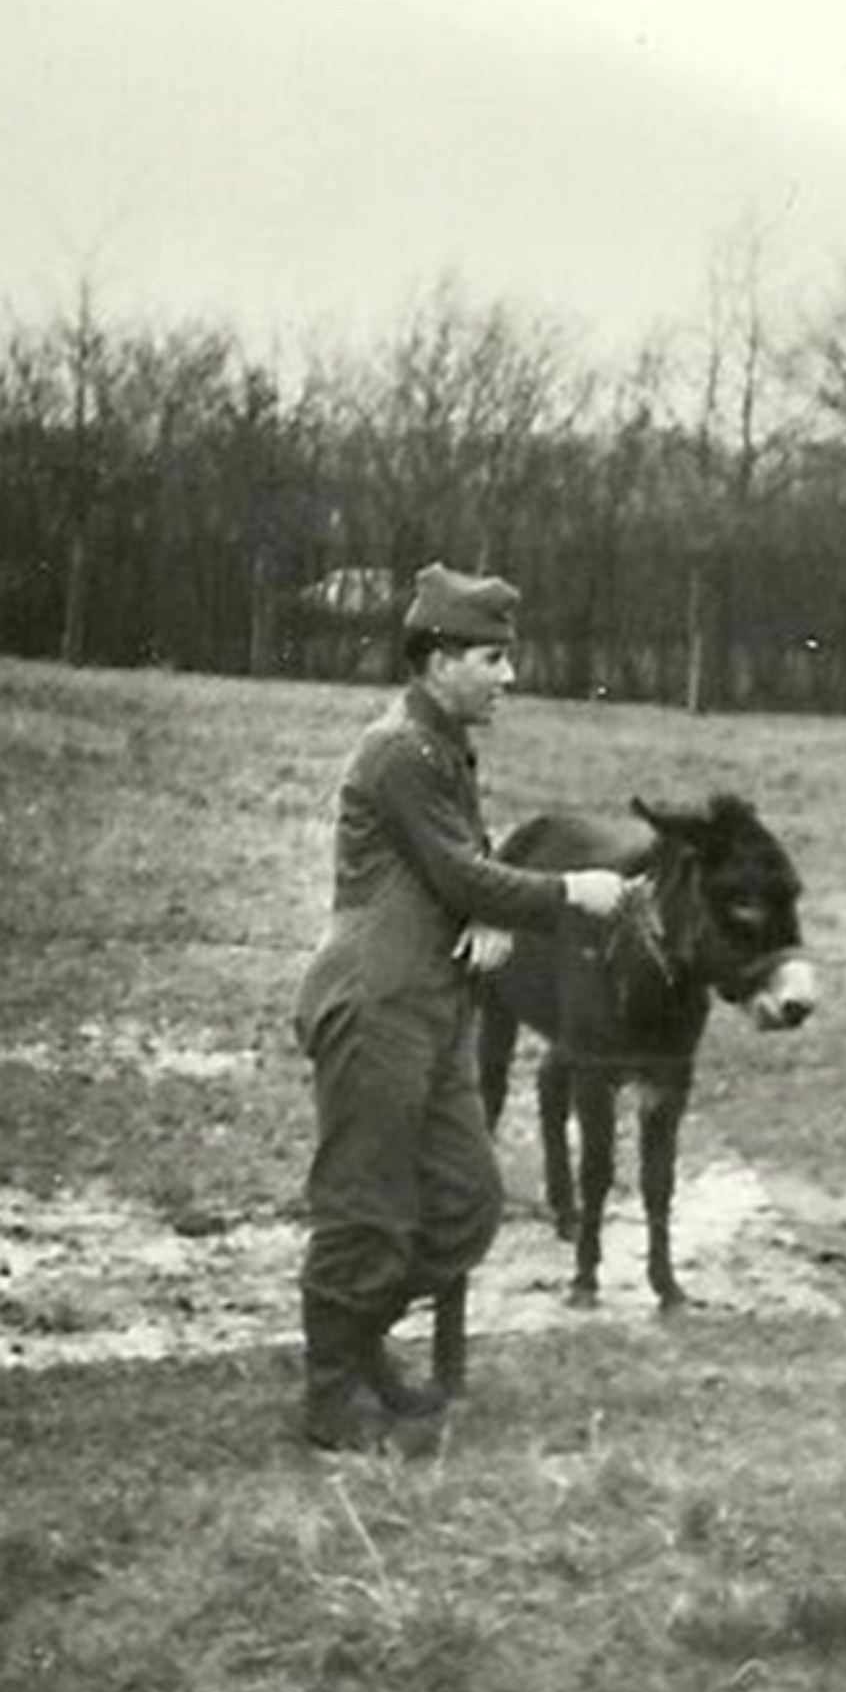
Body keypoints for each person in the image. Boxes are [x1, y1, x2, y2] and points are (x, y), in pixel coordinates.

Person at [292, 560, 627, 1452]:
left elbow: (458, 870)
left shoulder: (441, 749)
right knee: (365, 1209)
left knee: (468, 1202)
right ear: (440, 661)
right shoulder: (402, 751)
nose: (508, 676)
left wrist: (488, 910)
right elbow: (460, 872)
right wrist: (570, 892)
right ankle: (332, 1400)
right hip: (376, 1004)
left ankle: (357, 1340)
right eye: (492, 658)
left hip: (431, 1011)